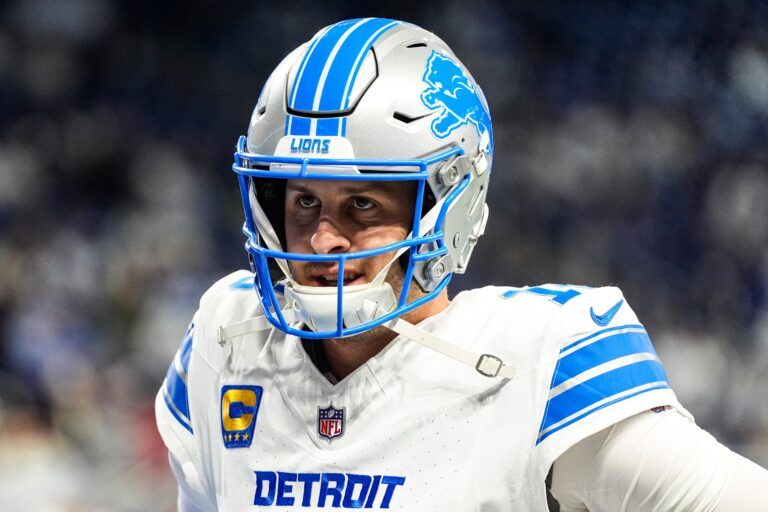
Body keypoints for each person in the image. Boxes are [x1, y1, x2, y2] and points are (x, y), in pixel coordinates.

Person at [155, 18, 768, 511]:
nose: (323, 239)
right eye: (304, 201)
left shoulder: (542, 364)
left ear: (448, 207)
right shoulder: (226, 341)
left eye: (362, 204)